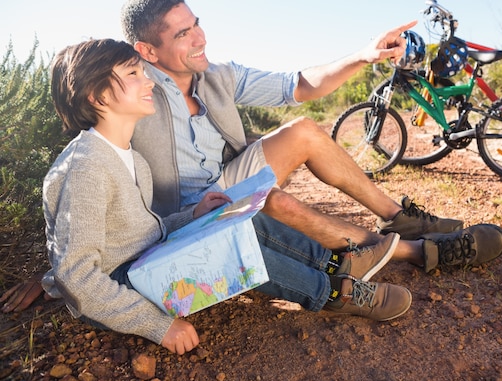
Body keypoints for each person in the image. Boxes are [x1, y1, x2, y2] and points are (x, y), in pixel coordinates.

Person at [39, 38, 413, 355]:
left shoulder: (130, 157)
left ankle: (334, 265)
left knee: (238, 217)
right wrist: (158, 326)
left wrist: (193, 215)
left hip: (144, 262)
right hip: (120, 289)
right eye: (133, 74)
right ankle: (332, 294)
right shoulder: (86, 165)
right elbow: (78, 277)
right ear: (98, 94)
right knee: (227, 250)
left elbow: (137, 230)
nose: (147, 81)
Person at [121, 0, 502, 270]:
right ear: (148, 51)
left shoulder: (217, 76)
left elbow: (301, 85)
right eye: (182, 34)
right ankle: (418, 252)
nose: (200, 38)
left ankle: (399, 217)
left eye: (196, 24)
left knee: (304, 130)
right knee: (277, 202)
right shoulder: (129, 90)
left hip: (223, 184)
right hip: (185, 217)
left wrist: (362, 55)